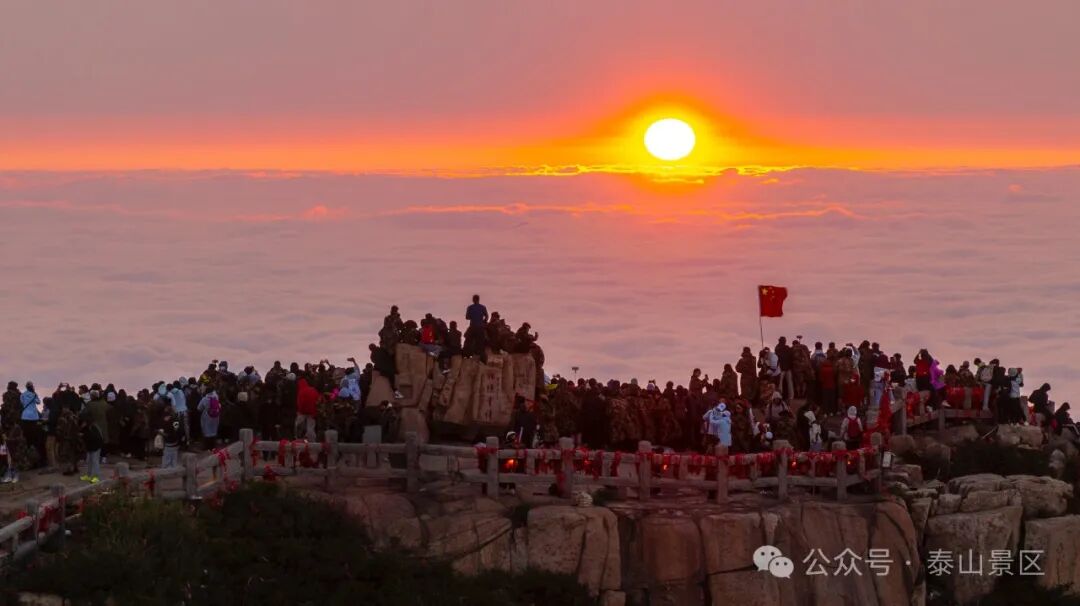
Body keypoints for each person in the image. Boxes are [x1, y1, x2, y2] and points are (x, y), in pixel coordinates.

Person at [19, 382, 44, 467]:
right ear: (32, 387)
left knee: (27, 438)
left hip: (25, 416)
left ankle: (28, 460)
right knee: (34, 438)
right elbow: (38, 402)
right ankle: (36, 459)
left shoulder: (22, 395)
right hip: (33, 417)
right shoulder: (34, 394)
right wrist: (33, 394)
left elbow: (22, 403)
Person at [79, 413, 104, 483]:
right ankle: (89, 475)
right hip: (91, 447)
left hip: (96, 446)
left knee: (95, 461)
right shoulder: (87, 427)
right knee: (90, 461)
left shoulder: (94, 428)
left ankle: (96, 477)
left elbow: (93, 437)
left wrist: (83, 435)